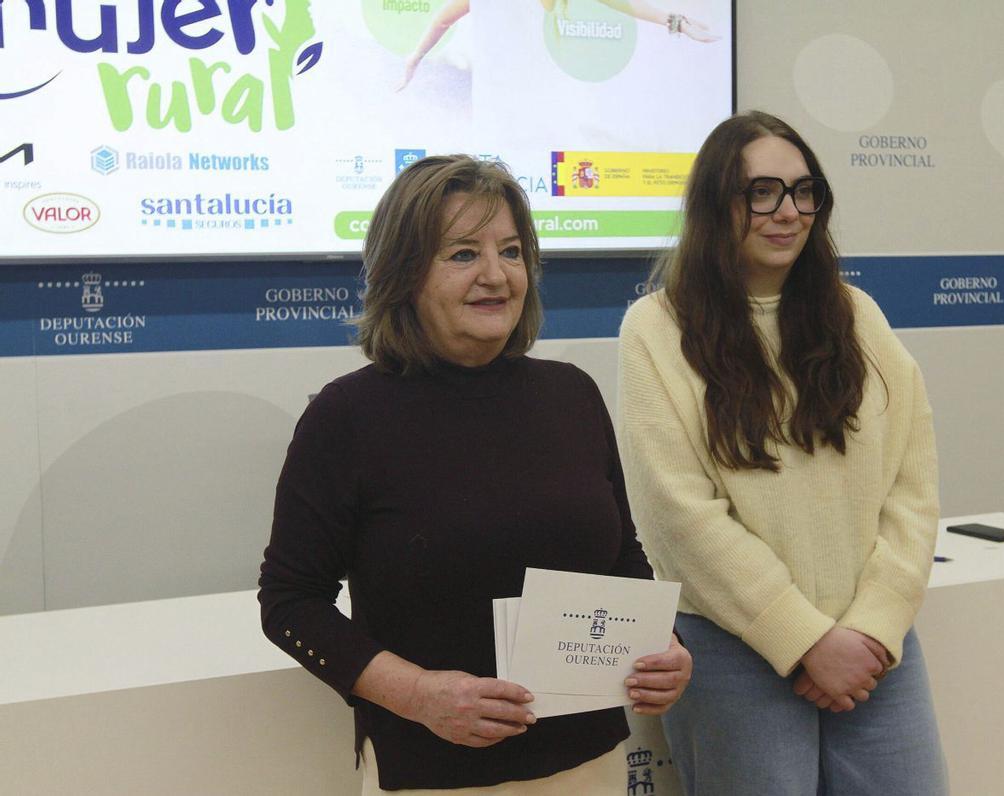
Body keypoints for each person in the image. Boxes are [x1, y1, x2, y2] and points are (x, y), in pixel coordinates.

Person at [259, 154, 691, 794]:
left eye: (512, 252)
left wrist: (664, 647)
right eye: (463, 254)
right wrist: (416, 694)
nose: (496, 276)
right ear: (404, 275)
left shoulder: (571, 394)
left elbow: (621, 555)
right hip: (436, 773)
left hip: (589, 761)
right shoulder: (346, 416)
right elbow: (290, 603)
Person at [616, 111, 948, 794]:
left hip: (872, 650)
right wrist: (803, 639)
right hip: (732, 648)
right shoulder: (656, 328)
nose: (787, 211)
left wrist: (874, 628)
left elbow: (912, 487)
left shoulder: (858, 315)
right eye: (760, 192)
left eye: (803, 192)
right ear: (716, 204)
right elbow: (679, 516)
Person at [396, 0, 718, 91]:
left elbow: (625, 5)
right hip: (500, 91)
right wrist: (415, 57)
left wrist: (678, 21)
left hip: (541, 87)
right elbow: (441, 20)